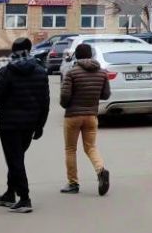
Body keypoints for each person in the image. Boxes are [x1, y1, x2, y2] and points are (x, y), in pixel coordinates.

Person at [0, 38, 50, 213]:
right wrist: (40, 125)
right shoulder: (40, 71)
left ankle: (24, 199)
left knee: (15, 159)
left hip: (9, 125)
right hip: (29, 124)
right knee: (16, 158)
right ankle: (10, 193)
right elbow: (45, 102)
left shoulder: (6, 72)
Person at [60, 43, 111, 196]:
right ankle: (101, 170)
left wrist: (66, 105)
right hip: (91, 116)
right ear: (91, 55)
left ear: (76, 56)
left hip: (73, 116)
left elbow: (65, 97)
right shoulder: (102, 73)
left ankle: (73, 183)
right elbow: (106, 95)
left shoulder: (71, 73)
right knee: (91, 147)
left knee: (70, 149)